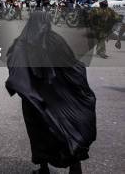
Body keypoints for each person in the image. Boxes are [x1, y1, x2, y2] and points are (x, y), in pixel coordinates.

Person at [6, 11, 96, 174]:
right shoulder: (56, 40)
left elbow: (15, 68)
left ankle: (43, 168)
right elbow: (73, 66)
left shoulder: (22, 43)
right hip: (59, 96)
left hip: (35, 100)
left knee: (38, 133)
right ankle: (75, 167)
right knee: (66, 128)